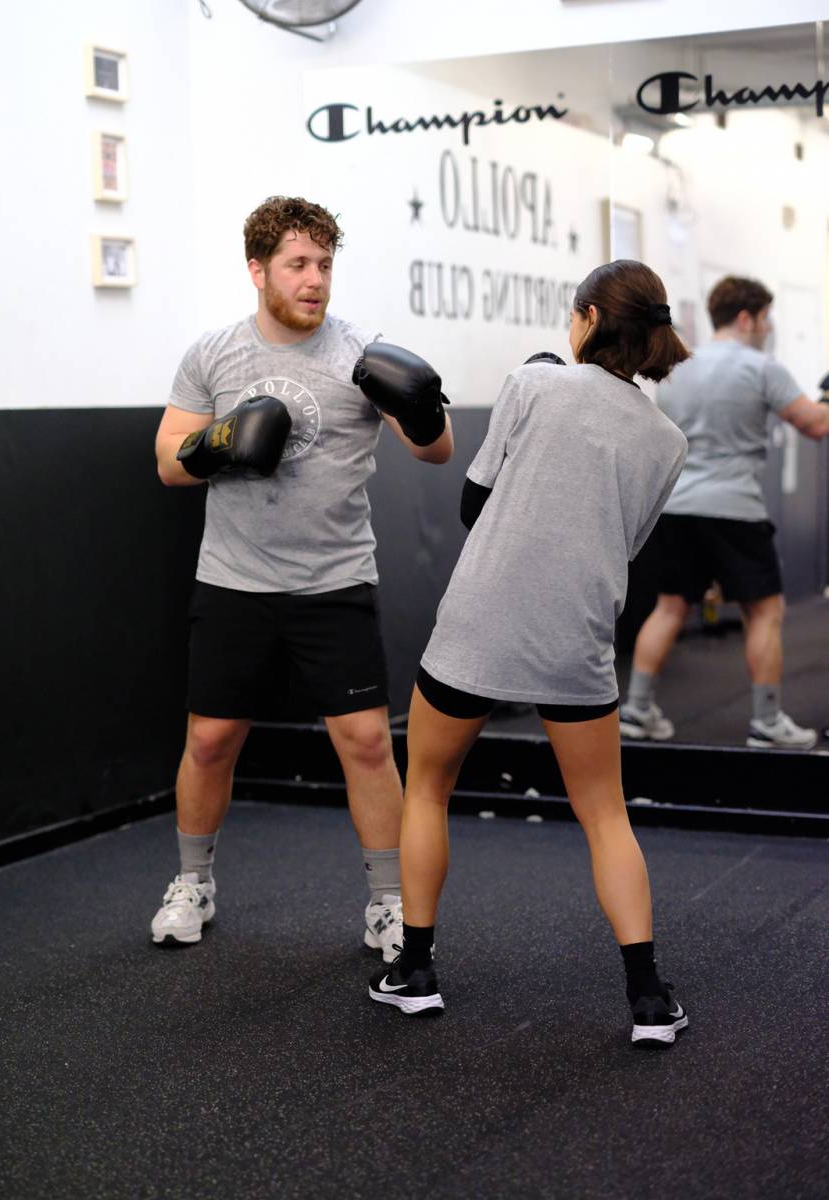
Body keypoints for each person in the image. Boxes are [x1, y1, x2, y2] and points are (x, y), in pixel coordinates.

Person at [368, 259, 692, 1048]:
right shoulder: (667, 439)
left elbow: (475, 503)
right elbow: (627, 543)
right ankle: (647, 998)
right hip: (575, 631)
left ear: (585, 318)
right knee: (605, 813)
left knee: (428, 789)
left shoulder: (534, 384)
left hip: (479, 622)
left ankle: (415, 971)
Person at [151, 195, 453, 957]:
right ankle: (193, 881)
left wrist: (422, 411)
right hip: (234, 579)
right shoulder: (213, 353)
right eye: (297, 264)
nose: (314, 279)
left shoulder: (361, 353)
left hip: (334, 578)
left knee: (364, 743)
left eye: (324, 264)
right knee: (212, 738)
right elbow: (167, 463)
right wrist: (222, 442)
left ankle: (388, 902)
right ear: (259, 271)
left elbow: (436, 452)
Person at [620, 276, 829, 749]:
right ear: (746, 317)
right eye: (766, 318)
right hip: (734, 508)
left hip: (676, 505)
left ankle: (636, 710)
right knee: (765, 612)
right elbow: (815, 425)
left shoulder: (677, 366)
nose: (768, 327)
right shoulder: (761, 367)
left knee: (670, 607)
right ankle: (767, 722)